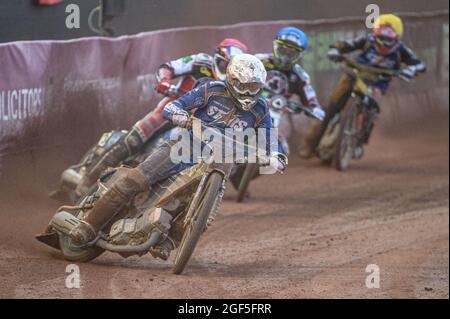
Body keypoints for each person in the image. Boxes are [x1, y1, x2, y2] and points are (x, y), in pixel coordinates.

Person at [68, 54, 287, 260]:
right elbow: (174, 105)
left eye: (254, 87)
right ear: (231, 79)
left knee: (206, 213)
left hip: (221, 159)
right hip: (184, 146)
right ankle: (88, 226)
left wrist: (276, 154)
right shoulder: (211, 90)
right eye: (243, 85)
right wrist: (180, 115)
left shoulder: (260, 108)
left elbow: (269, 136)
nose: (248, 92)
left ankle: (170, 242)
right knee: (135, 180)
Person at [75, 39, 248, 196]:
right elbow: (168, 67)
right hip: (172, 107)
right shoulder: (200, 61)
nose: (225, 70)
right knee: (135, 139)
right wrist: (164, 81)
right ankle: (88, 180)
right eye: (223, 63)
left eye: (229, 67)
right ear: (216, 57)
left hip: (195, 125)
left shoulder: (234, 87)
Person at [300, 14, 426, 158]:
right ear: (375, 34)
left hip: (378, 83)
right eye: (381, 37)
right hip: (355, 76)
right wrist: (335, 50)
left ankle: (359, 142)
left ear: (397, 38)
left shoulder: (401, 50)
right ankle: (310, 145)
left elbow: (420, 65)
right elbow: (346, 44)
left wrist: (411, 71)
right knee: (331, 108)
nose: (383, 43)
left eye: (388, 40)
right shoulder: (367, 40)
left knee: (372, 110)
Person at [256, 27, 325, 121]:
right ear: (275, 46)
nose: (285, 57)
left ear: (300, 55)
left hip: (273, 113)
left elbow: (311, 100)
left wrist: (316, 109)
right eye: (283, 50)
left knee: (272, 133)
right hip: (247, 102)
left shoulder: (300, 76)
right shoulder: (258, 61)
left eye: (291, 53)